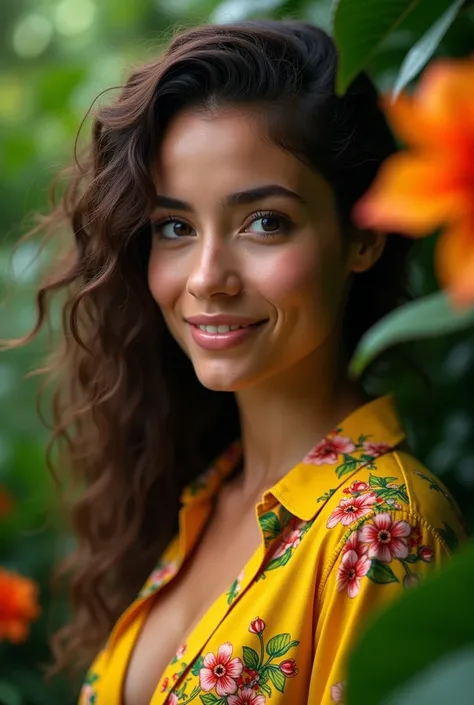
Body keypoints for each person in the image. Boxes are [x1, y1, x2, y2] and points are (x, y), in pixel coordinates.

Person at [12, 19, 466, 705]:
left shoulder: (382, 528)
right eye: (175, 226)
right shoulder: (207, 496)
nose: (205, 277)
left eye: (265, 221)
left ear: (363, 235)